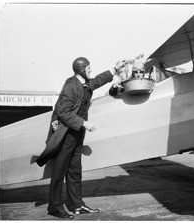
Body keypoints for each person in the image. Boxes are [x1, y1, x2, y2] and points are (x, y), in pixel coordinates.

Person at [35, 57, 126, 219]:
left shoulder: (84, 83)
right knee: (59, 171)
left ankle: (76, 205)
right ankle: (54, 207)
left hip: (76, 133)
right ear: (82, 70)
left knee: (75, 171)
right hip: (66, 134)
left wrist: (115, 69)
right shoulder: (71, 86)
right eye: (89, 68)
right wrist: (84, 123)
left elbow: (97, 81)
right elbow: (63, 112)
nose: (91, 71)